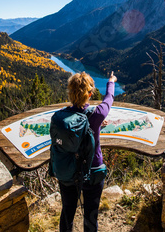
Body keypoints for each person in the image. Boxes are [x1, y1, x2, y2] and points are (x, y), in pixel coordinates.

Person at [58, 71, 117, 232]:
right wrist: (111, 81)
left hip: (69, 172)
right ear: (90, 94)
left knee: (67, 212)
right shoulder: (95, 115)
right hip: (92, 171)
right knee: (91, 215)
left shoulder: (61, 117)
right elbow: (108, 99)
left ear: (70, 93)